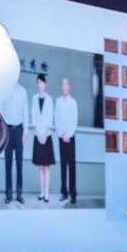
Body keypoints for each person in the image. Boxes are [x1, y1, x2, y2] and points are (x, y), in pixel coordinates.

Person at [0, 80, 29, 204]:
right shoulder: (4, 90)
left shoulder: (22, 91)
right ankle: (8, 194)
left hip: (19, 131)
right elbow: (1, 112)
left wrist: (26, 132)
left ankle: (19, 194)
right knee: (8, 164)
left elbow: (25, 112)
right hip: (7, 131)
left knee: (19, 164)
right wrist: (1, 132)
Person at [31, 74, 55, 203]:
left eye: (42, 82)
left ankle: (46, 194)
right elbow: (33, 117)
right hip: (37, 136)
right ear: (37, 84)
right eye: (38, 83)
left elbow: (50, 118)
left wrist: (45, 135)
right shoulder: (34, 98)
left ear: (45, 84)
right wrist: (38, 134)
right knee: (40, 167)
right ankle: (41, 192)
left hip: (47, 136)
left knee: (47, 167)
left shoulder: (49, 99)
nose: (40, 85)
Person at [55, 77, 78, 205]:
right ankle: (64, 192)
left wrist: (68, 134)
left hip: (70, 137)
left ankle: (73, 194)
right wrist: (61, 134)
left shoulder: (73, 102)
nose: (64, 87)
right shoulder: (58, 102)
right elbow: (56, 119)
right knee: (63, 165)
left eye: (66, 84)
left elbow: (74, 121)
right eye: (62, 84)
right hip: (61, 137)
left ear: (69, 87)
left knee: (71, 166)